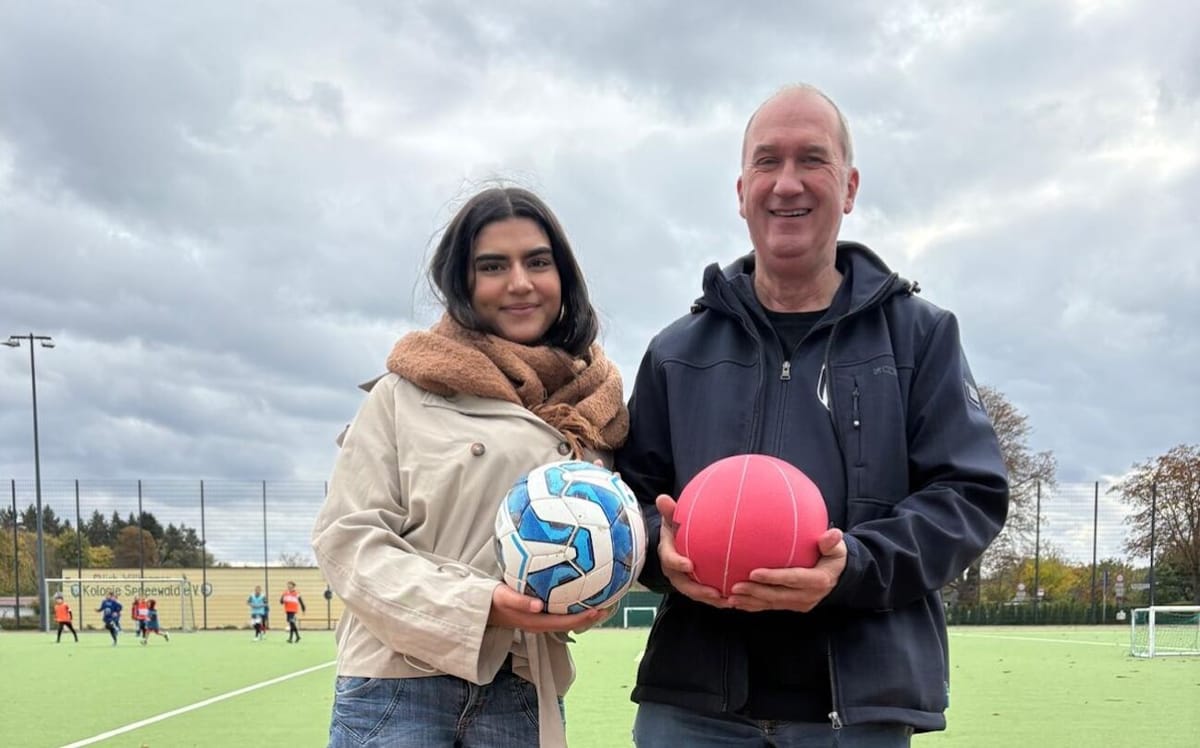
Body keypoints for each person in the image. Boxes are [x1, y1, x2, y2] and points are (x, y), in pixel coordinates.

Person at [615, 84, 1010, 747]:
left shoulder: (920, 337)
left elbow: (968, 494)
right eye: (767, 161)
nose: (786, 182)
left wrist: (853, 564)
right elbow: (630, 497)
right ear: (741, 190)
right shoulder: (676, 351)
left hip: (857, 717)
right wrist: (659, 545)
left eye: (812, 160)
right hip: (692, 709)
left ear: (849, 186)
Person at [312, 186, 628, 748]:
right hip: (397, 683)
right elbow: (347, 541)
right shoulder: (403, 393)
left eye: (537, 261)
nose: (520, 282)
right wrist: (480, 605)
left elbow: (616, 532)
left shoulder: (597, 402)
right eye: (492, 266)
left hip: (524, 689)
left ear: (564, 275)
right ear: (463, 283)